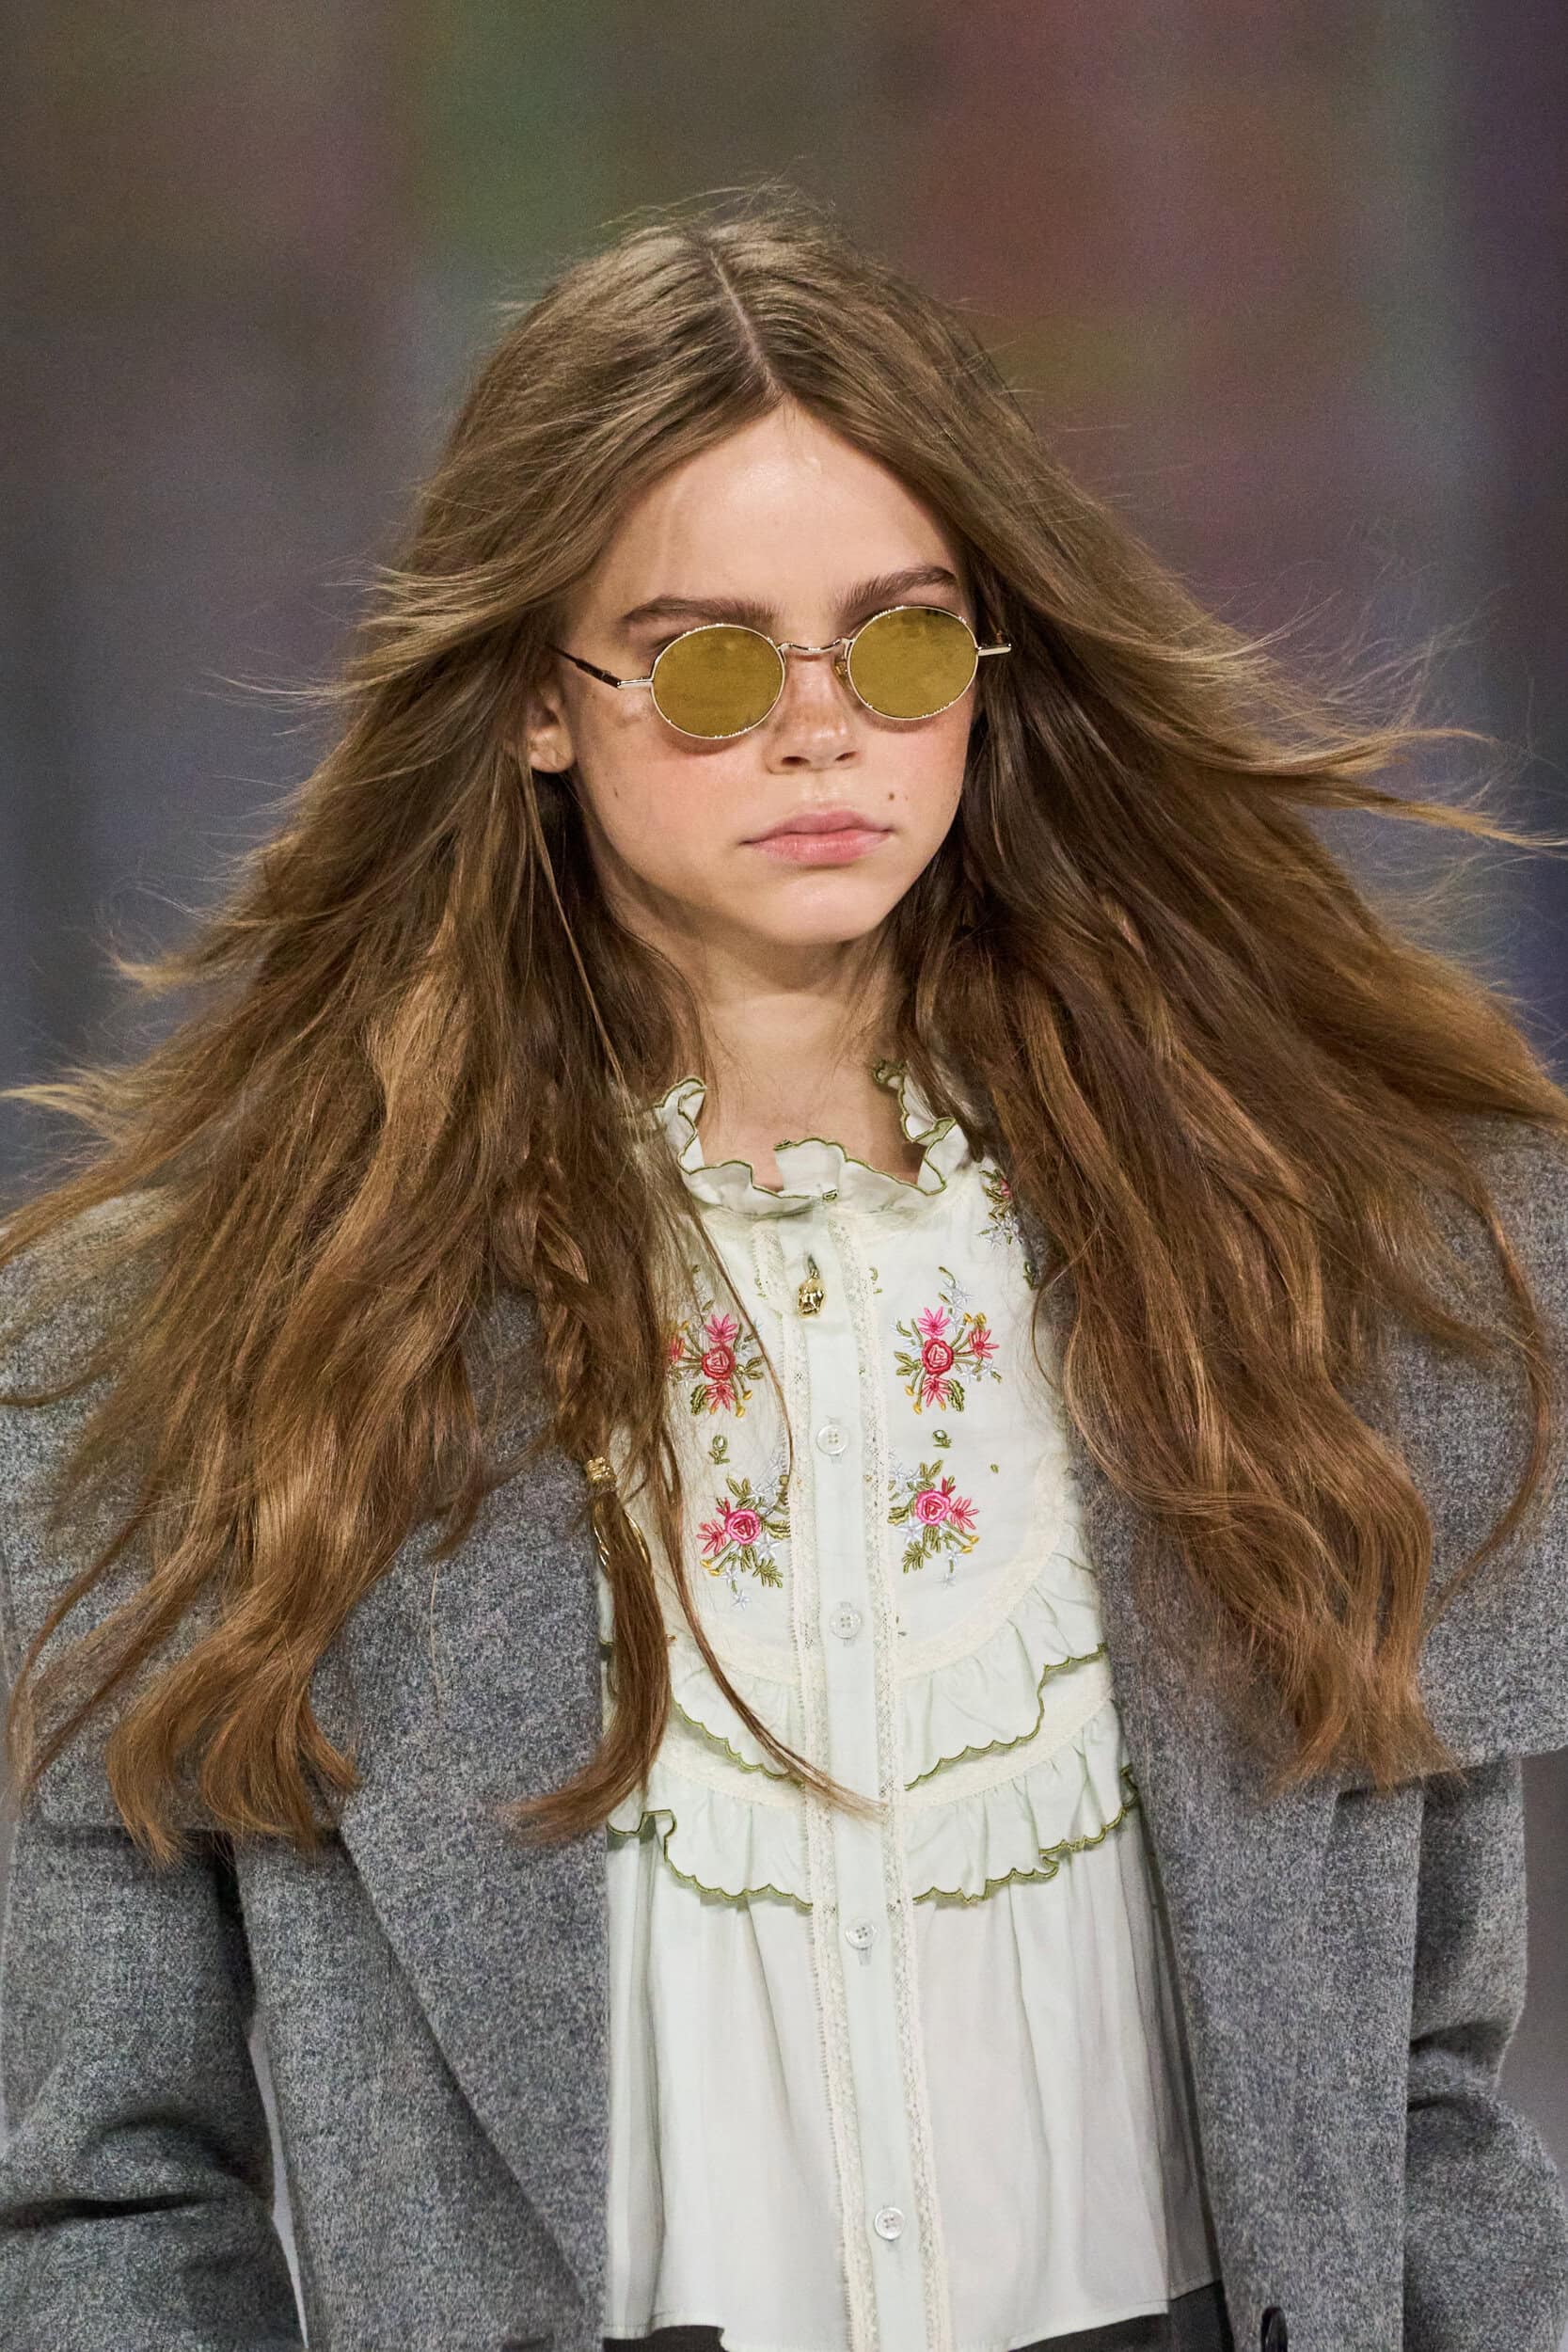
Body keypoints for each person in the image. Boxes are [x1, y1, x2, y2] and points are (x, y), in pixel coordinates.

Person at [2, 183, 1567, 2352]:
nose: (821, 728)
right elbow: (99, 2188)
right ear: (539, 700)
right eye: (712, 662)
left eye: (902, 643)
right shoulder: (201, 1336)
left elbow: (1428, 2105)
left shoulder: (1323, 1256)